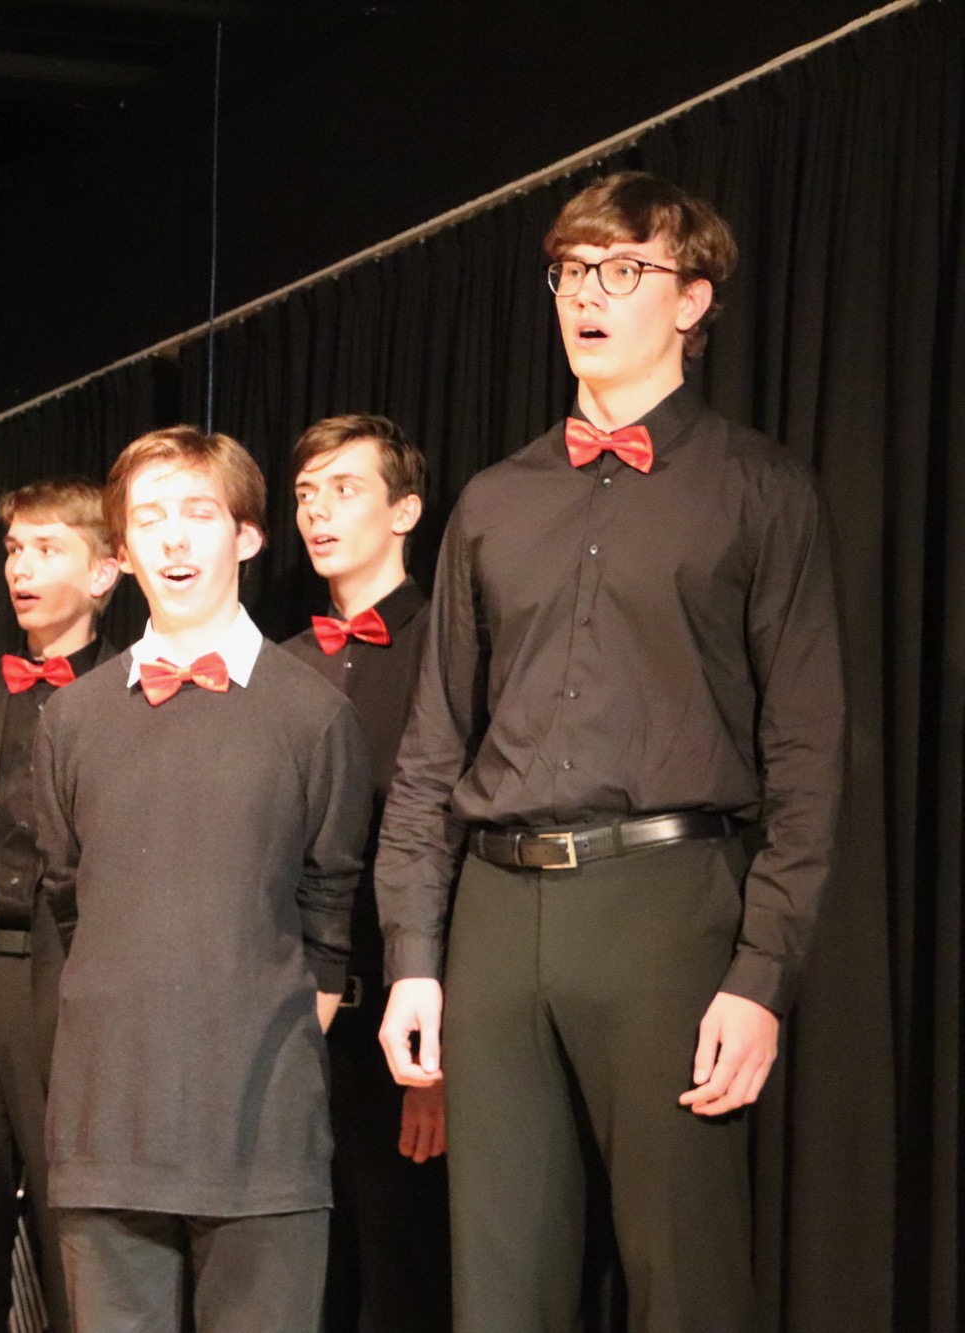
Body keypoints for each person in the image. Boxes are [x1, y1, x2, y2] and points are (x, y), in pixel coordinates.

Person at [375, 171, 846, 1333]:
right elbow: (433, 745)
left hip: (663, 902)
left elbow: (804, 752)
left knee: (682, 1275)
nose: (587, 293)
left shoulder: (757, 490)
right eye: (571, 271)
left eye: (622, 270)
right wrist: (413, 955)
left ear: (690, 299)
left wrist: (760, 972)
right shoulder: (493, 500)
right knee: (497, 1284)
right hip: (494, 911)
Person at [34, 426, 370, 1332]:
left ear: (248, 535)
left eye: (198, 513)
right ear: (122, 550)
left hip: (261, 1133)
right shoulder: (72, 718)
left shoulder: (314, 714)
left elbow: (329, 908)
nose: (174, 539)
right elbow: (68, 897)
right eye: (149, 519)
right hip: (108, 1129)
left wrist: (260, 1045)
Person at [0, 479, 119, 1333]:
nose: (22, 568)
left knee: (72, 1230)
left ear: (105, 571)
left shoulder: (129, 688)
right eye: (14, 550)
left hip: (71, 985)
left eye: (47, 550)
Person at [280, 415, 450, 1331]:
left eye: (344, 489)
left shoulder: (447, 652)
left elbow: (453, 847)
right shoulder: (281, 665)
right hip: (298, 1024)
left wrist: (439, 1070)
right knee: (303, 1284)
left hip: (401, 1023)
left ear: (405, 510)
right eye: (306, 494)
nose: (318, 511)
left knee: (404, 1281)